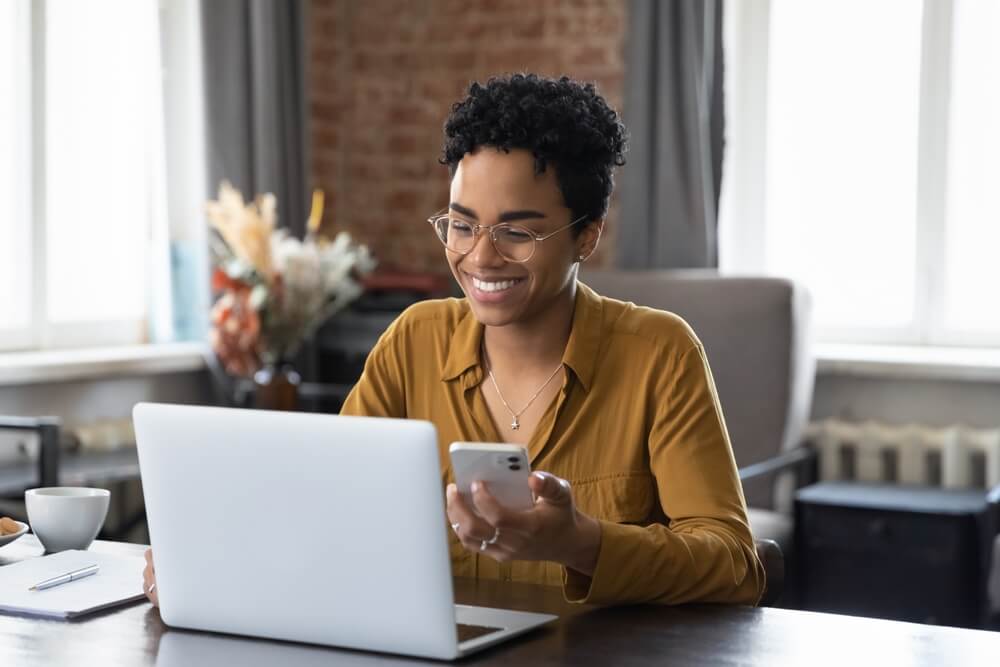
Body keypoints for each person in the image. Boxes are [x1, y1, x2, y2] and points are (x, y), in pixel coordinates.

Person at [144, 73, 765, 607]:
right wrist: (210, 554)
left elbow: (735, 563)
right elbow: (323, 503)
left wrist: (580, 541)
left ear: (587, 236)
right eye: (461, 225)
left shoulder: (659, 353)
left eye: (517, 233)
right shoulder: (414, 340)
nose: (480, 257)